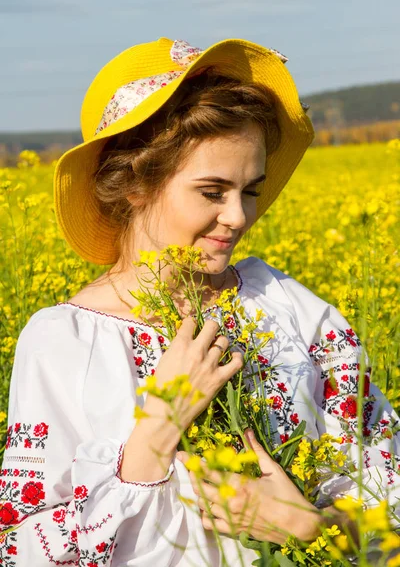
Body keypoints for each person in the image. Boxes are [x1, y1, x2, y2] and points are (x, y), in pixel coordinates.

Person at [0, 37, 399, 567]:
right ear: (134, 183)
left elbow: (386, 497)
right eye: (213, 192)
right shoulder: (64, 343)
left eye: (250, 190)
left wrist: (311, 528)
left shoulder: (296, 313)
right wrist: (155, 434)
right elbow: (21, 549)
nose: (239, 217)